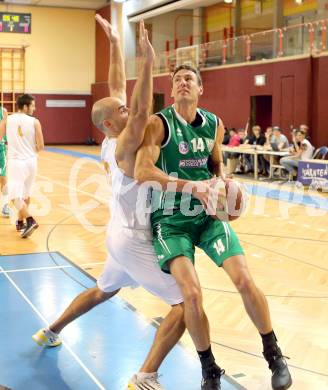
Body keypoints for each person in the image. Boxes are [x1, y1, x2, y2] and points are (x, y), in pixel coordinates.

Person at [33, 16, 187, 390]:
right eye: (121, 110)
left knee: (104, 290)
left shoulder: (110, 137)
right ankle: (144, 375)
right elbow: (136, 108)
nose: (126, 109)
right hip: (134, 237)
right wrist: (148, 62)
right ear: (109, 125)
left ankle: (50, 330)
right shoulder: (123, 144)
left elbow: (118, 88)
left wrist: (117, 43)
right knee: (186, 306)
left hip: (119, 234)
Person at [134, 65, 292, 390]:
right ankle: (209, 369)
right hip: (171, 220)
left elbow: (214, 160)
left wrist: (221, 179)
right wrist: (190, 187)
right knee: (191, 295)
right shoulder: (158, 124)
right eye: (177, 79)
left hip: (208, 215)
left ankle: (273, 353)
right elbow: (141, 170)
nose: (181, 83)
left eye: (188, 79)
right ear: (173, 89)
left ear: (200, 89)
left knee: (245, 279)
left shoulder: (213, 124)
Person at [0, 94, 44, 237]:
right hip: (32, 162)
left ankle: (30, 219)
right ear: (25, 106)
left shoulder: (7, 120)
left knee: (13, 195)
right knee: (26, 194)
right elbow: (41, 146)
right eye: (32, 105)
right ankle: (20, 221)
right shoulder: (35, 122)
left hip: (16, 162)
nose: (34, 108)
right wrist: (30, 150)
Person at [0, 106, 10, 217]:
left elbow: (6, 128)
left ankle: (5, 206)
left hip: (0, 147)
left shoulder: (3, 111)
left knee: (3, 177)